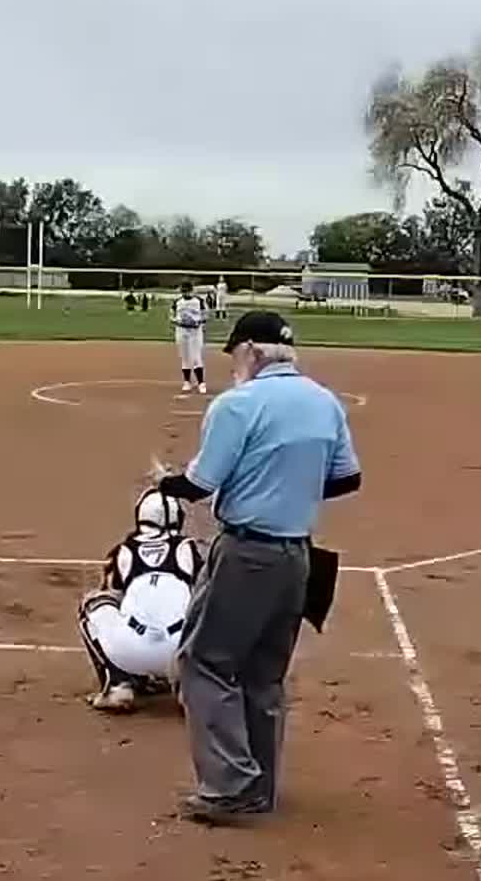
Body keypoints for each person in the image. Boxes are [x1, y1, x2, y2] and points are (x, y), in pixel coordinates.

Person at [154, 311, 361, 825]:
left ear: (251, 350)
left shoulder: (238, 405)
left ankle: (228, 787)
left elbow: (200, 485)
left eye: (235, 355)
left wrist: (164, 483)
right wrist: (291, 486)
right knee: (263, 674)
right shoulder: (324, 401)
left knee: (204, 662)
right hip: (298, 555)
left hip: (247, 552)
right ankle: (258, 785)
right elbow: (346, 478)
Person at [76, 488, 203, 712]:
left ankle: (118, 684)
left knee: (93, 604)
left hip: (129, 651)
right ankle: (192, 687)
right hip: (180, 653)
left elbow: (112, 594)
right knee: (207, 610)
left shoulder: (123, 550)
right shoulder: (187, 548)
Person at [171, 284, 207, 394]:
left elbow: (205, 315)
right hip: (181, 330)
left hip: (195, 332)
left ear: (192, 291)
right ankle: (187, 381)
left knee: (196, 357)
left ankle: (201, 383)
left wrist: (197, 322)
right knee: (185, 357)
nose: (185, 293)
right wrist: (178, 321)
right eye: (183, 291)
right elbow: (171, 316)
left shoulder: (199, 301)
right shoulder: (177, 302)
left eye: (187, 291)